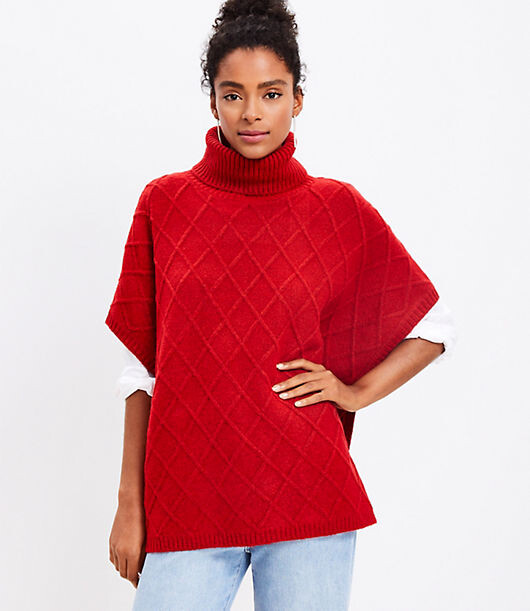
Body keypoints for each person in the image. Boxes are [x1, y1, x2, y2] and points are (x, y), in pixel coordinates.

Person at [105, 1, 457, 608]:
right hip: (187, 497)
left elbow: (434, 325)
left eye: (270, 94)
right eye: (233, 94)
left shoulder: (336, 208)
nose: (251, 113)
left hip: (307, 497)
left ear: (297, 101)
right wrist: (128, 505)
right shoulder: (165, 203)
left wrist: (352, 394)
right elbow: (143, 371)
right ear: (212, 101)